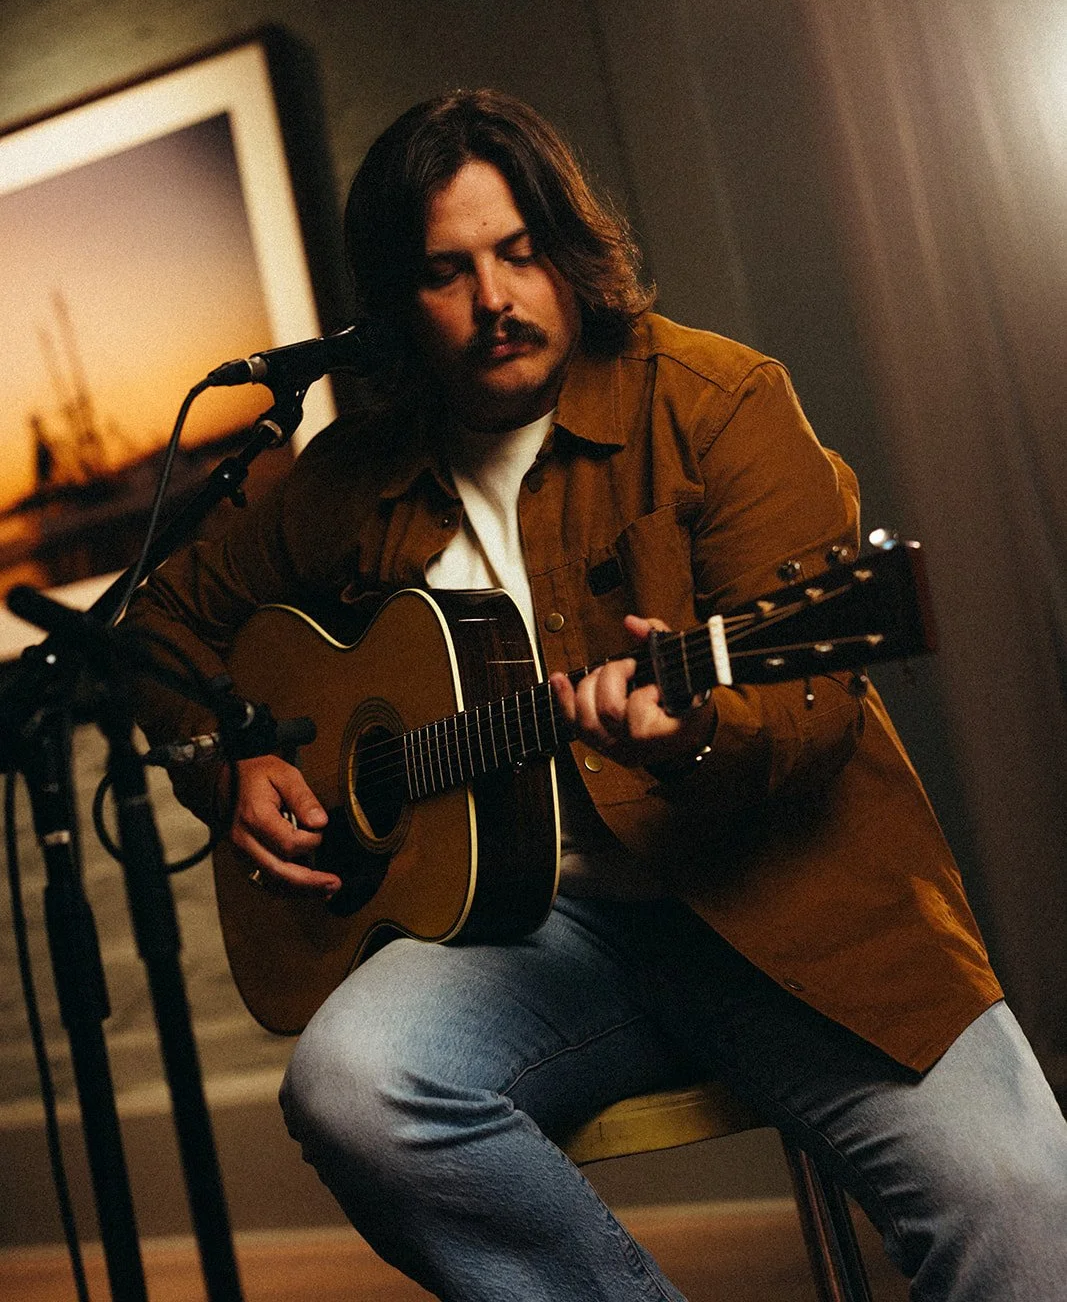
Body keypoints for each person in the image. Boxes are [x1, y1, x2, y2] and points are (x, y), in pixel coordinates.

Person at [127, 89, 1067, 1300]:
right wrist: (226, 764)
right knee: (349, 1085)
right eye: (446, 273)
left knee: (1026, 1209)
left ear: (567, 248)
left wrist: (688, 740)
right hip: (531, 936)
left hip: (786, 905)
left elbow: (817, 701)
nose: (496, 302)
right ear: (395, 302)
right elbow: (160, 623)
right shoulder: (348, 480)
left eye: (519, 254)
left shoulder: (719, 401)